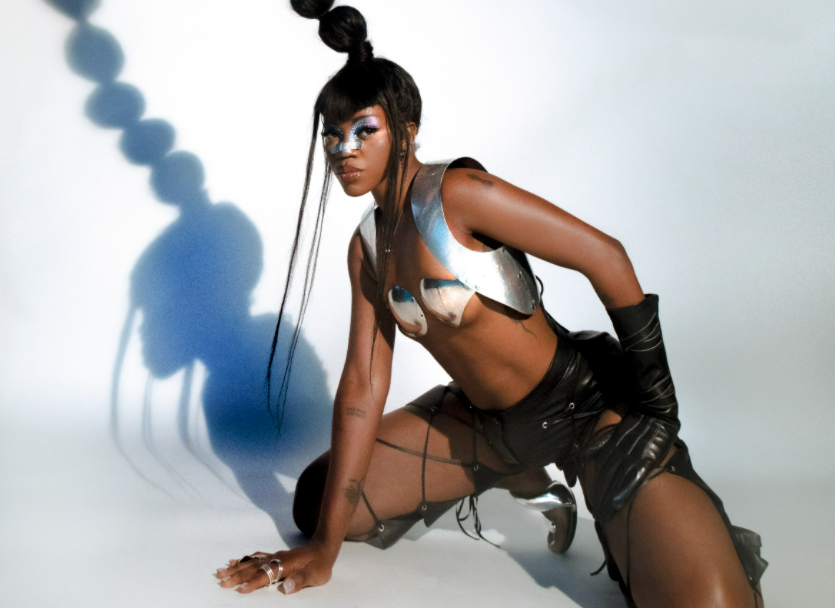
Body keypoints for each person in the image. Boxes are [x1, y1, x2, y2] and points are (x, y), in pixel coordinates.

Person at [216, 2, 767, 606]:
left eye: (363, 130)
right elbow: (363, 385)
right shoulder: (367, 248)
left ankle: (562, 475)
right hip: (487, 426)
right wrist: (324, 549)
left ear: (406, 130)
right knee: (314, 501)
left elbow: (606, 257)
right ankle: (521, 475)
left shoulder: (458, 193)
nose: (343, 149)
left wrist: (659, 406)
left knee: (711, 600)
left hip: (585, 411)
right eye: (331, 134)